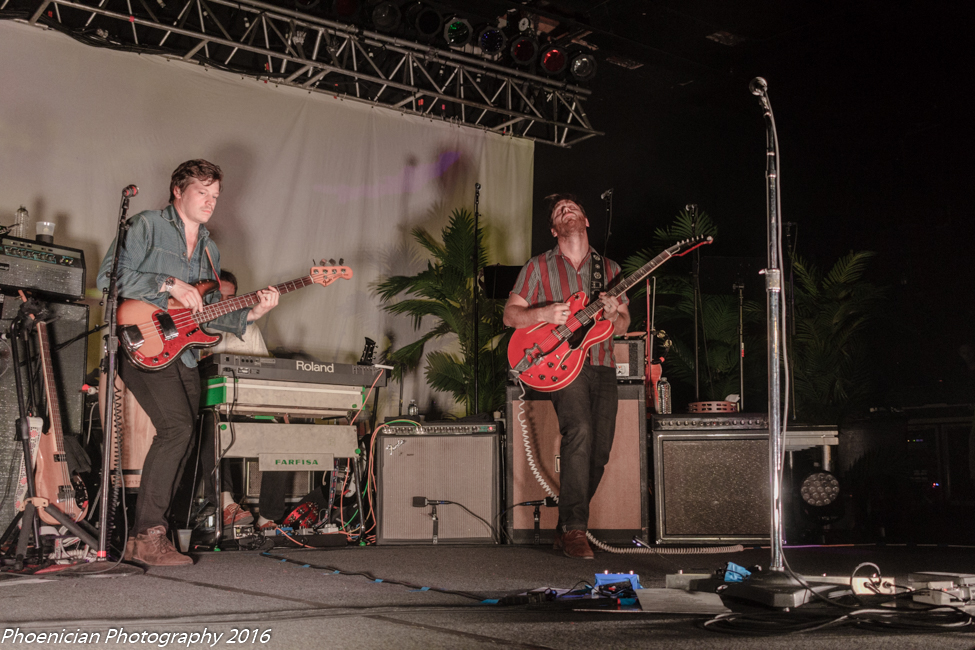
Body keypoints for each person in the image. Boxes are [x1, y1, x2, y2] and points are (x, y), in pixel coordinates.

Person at [97, 159, 280, 566]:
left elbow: (210, 310)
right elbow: (109, 276)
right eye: (203, 192)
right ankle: (147, 535)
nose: (211, 202)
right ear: (178, 191)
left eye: (216, 195)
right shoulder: (147, 225)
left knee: (186, 436)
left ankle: (153, 534)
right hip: (140, 338)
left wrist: (252, 313)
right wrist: (168, 283)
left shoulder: (211, 249)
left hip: (185, 351)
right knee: (176, 426)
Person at [503, 194, 630, 559]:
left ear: (586, 221)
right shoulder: (539, 266)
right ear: (554, 228)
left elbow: (622, 324)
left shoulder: (609, 270)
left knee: (600, 450)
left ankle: (564, 528)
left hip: (602, 362)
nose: (567, 210)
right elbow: (511, 316)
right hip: (562, 365)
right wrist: (543, 315)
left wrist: (611, 314)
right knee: (580, 432)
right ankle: (576, 531)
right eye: (560, 211)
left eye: (573, 206)